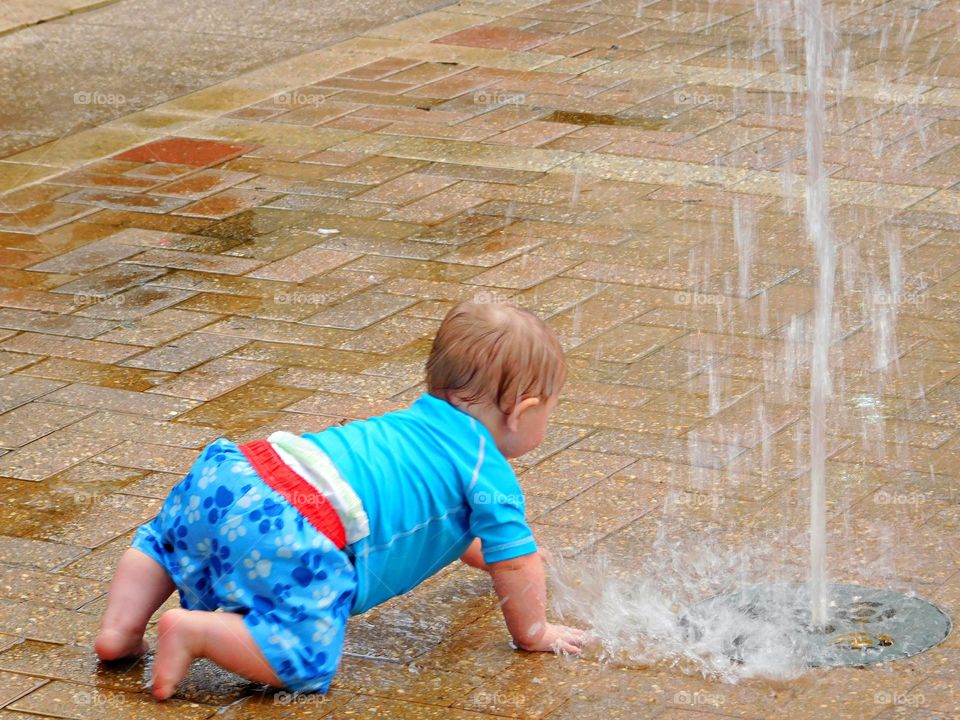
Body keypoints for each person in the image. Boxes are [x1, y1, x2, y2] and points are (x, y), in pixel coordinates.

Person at [95, 300, 586, 700]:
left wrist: (488, 557)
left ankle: (120, 630)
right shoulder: (489, 473)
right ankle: (195, 633)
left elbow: (443, 525)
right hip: (296, 525)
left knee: (166, 543)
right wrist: (534, 631)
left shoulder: (412, 424)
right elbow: (517, 565)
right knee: (306, 658)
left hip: (236, 475)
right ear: (525, 412)